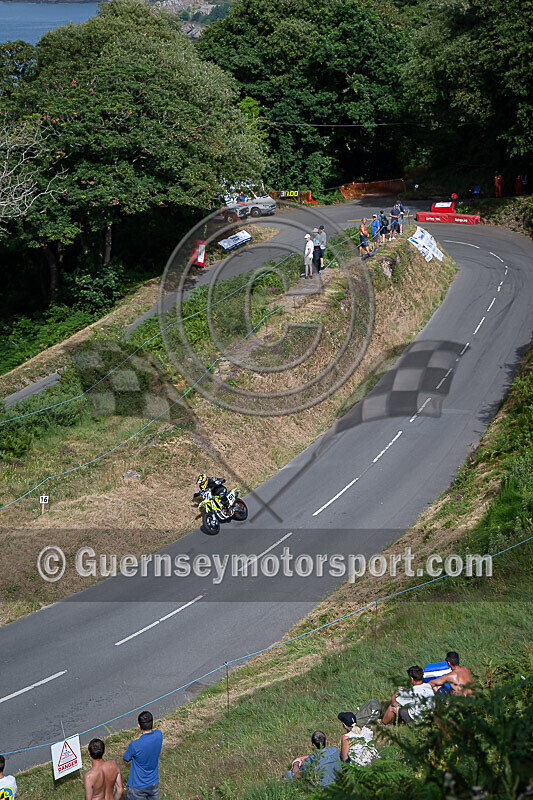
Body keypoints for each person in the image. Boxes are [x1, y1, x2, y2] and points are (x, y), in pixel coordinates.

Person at [123, 711, 163, 800]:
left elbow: (125, 759)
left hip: (137, 786)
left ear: (139, 726)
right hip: (153, 782)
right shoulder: (159, 735)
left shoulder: (135, 745)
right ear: (153, 723)